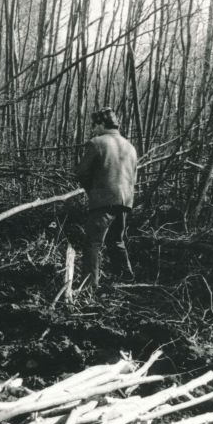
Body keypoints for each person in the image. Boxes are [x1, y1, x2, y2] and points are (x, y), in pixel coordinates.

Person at [74, 107, 138, 288]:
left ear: (102, 124)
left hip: (103, 200)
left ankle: (89, 286)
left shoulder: (96, 143)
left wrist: (92, 190)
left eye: (95, 125)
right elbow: (134, 177)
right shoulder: (130, 147)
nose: (94, 129)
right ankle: (125, 278)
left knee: (92, 243)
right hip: (125, 201)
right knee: (116, 240)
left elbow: (81, 173)